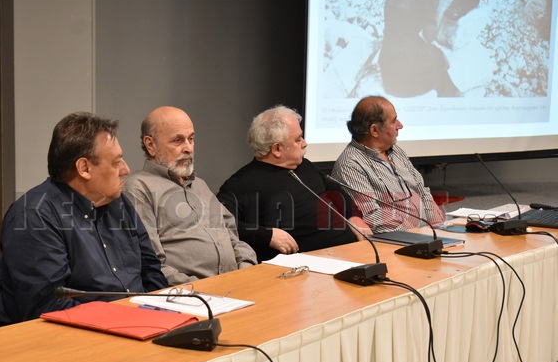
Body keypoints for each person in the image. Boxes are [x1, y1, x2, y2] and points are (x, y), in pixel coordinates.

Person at [0, 112, 168, 322]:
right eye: (116, 162)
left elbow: (151, 271)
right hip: (86, 332)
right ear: (84, 168)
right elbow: (49, 308)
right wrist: (129, 319)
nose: (126, 169)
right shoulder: (34, 217)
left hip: (142, 321)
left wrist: (163, 315)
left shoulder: (118, 202)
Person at [123, 106, 257, 285]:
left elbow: (233, 237)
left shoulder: (199, 184)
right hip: (193, 294)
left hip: (236, 284)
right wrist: (204, 289)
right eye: (177, 140)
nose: (188, 148)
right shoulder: (139, 188)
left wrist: (246, 269)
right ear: (150, 145)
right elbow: (153, 264)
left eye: (191, 139)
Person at [217, 105, 368, 263]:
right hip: (310, 265)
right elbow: (218, 222)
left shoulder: (305, 166)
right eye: (298, 139)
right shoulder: (242, 183)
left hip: (352, 250)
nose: (305, 143)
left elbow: (336, 191)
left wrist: (353, 215)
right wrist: (266, 235)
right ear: (277, 149)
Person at [332, 96, 445, 234]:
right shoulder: (350, 165)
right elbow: (372, 216)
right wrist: (418, 234)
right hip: (398, 241)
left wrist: (438, 228)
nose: (400, 125)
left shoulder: (396, 151)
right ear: (374, 130)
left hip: (426, 235)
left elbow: (422, 191)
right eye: (393, 121)